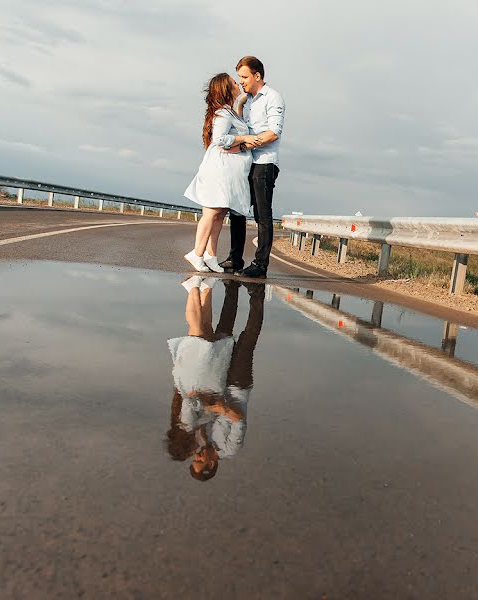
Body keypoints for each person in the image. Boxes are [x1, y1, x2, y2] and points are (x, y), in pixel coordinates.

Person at [165, 277, 265, 481]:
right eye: (200, 460)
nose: (198, 455)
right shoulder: (229, 449)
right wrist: (222, 409)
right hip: (237, 385)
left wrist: (205, 404)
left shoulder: (204, 438)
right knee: (248, 338)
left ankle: (232, 288)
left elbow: (198, 408)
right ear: (211, 464)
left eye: (195, 458)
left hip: (218, 380)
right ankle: (257, 295)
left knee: (222, 330)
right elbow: (239, 421)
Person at [182, 73, 261, 273]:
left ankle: (211, 256)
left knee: (220, 214)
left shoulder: (231, 112)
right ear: (227, 89)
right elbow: (219, 139)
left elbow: (236, 125)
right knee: (212, 212)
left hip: (229, 172)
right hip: (220, 170)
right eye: (235, 82)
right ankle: (197, 253)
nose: (238, 83)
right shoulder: (223, 113)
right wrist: (244, 138)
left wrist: (244, 99)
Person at [221, 56, 285, 279]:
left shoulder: (273, 98)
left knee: (262, 214)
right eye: (239, 77)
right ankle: (235, 258)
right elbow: (239, 127)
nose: (241, 81)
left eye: (245, 77)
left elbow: (274, 131)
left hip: (264, 163)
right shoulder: (245, 100)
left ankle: (260, 264)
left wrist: (249, 141)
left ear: (257, 76)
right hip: (245, 161)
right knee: (237, 209)